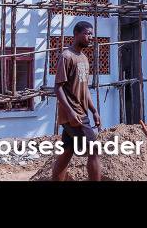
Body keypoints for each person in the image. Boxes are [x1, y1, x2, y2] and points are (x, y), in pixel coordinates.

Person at [52, 21, 102, 181]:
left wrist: (94, 110)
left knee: (68, 151)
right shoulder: (66, 57)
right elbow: (58, 88)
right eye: (87, 33)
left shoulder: (84, 58)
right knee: (94, 149)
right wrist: (71, 112)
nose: (91, 37)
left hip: (81, 112)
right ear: (76, 34)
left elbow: (84, 88)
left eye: (91, 34)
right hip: (74, 115)